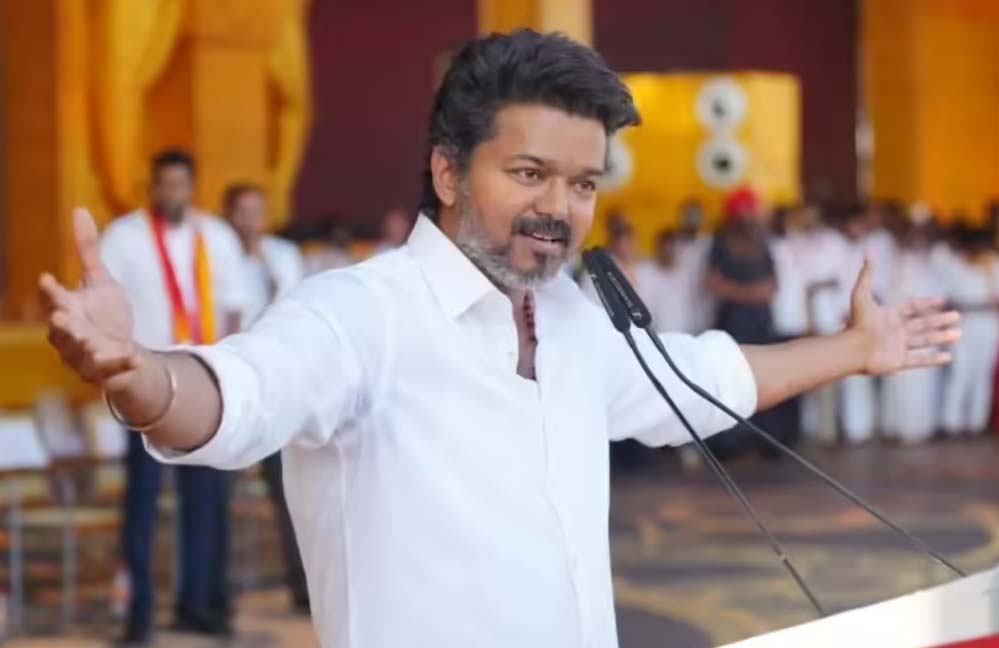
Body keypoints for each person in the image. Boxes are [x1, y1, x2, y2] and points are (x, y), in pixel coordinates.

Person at [40, 31, 960, 648]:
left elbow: (694, 379)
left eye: (583, 184)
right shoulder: (359, 314)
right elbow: (240, 394)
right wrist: (139, 374)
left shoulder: (573, 321)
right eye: (528, 173)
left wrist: (854, 350)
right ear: (447, 172)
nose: (559, 207)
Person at [94, 150, 247, 644]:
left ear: (193, 186)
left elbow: (234, 309)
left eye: (181, 185)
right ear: (153, 187)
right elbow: (105, 307)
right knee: (142, 502)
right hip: (145, 381)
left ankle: (199, 604)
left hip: (204, 384)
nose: (172, 193)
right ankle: (137, 613)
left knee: (206, 500)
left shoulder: (217, 237)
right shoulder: (124, 237)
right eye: (164, 185)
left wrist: (229, 375)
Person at [221, 183, 310, 612]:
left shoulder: (284, 256)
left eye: (257, 210)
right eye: (242, 211)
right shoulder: (218, 257)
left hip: (279, 389)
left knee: (290, 493)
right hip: (233, 388)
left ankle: (302, 587)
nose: (250, 220)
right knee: (218, 495)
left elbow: (296, 314)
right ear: (229, 216)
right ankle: (219, 591)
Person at [937, 225, 999, 436]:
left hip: (987, 327)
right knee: (960, 373)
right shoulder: (955, 266)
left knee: (982, 376)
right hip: (962, 325)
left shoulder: (993, 265)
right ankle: (952, 424)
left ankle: (976, 424)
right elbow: (947, 298)